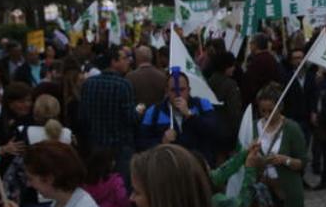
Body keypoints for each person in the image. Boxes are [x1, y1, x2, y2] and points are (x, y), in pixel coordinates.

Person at [77, 48, 135, 189]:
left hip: (95, 145)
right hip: (119, 147)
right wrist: (138, 111)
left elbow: (82, 117)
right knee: (120, 188)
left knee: (97, 187)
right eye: (124, 58)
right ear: (113, 62)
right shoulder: (123, 85)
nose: (128, 61)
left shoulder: (88, 84)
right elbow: (130, 118)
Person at [136, 71, 221, 164]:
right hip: (169, 168)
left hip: (198, 166)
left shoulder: (203, 104)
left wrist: (190, 116)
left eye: (182, 89)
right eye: (173, 90)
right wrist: (162, 141)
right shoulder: (153, 111)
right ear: (167, 91)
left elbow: (215, 130)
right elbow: (141, 143)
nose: (178, 94)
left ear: (189, 90)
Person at [206, 51, 243, 158]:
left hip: (212, 129)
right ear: (225, 66)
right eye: (232, 66)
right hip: (227, 132)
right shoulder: (231, 85)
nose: (234, 68)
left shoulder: (209, 81)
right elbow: (234, 112)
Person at [242, 33, 281, 108]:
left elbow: (250, 83)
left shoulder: (257, 61)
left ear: (255, 45)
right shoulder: (272, 58)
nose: (250, 46)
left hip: (260, 101)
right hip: (271, 99)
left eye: (251, 43)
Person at [127, 44, 168, 109]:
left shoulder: (130, 77)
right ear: (151, 57)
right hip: (157, 116)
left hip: (137, 116)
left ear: (137, 57)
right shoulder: (163, 76)